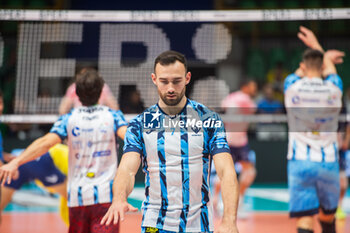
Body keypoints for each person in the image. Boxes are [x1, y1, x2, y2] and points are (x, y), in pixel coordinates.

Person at [101, 50, 239, 233]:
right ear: (154, 79)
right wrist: (119, 198)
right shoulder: (139, 124)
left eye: (177, 81)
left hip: (199, 225)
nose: (171, 88)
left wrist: (229, 220)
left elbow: (226, 171)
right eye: (164, 81)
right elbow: (127, 169)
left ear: (187, 78)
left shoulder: (208, 120)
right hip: (155, 224)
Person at [0, 68, 128, 233]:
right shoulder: (114, 116)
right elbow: (131, 139)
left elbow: (45, 143)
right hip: (105, 198)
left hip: (77, 198)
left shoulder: (68, 119)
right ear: (101, 91)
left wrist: (16, 162)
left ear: (77, 93)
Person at [284, 26, 345, 233]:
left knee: (304, 218)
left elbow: (301, 72)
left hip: (300, 162)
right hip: (328, 162)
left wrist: (308, 64)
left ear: (303, 65)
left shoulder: (291, 86)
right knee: (327, 216)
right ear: (322, 66)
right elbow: (330, 71)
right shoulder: (334, 87)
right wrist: (319, 48)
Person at [0, 144, 69, 226]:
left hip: (19, 160)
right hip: (37, 161)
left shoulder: (62, 149)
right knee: (72, 198)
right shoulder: (67, 153)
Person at [218, 79, 257, 219]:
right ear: (245, 87)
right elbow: (253, 111)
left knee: (227, 174)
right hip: (233, 141)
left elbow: (224, 107)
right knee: (247, 173)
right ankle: (229, 202)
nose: (255, 89)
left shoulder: (230, 97)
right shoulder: (245, 99)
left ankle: (225, 202)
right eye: (253, 86)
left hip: (236, 141)